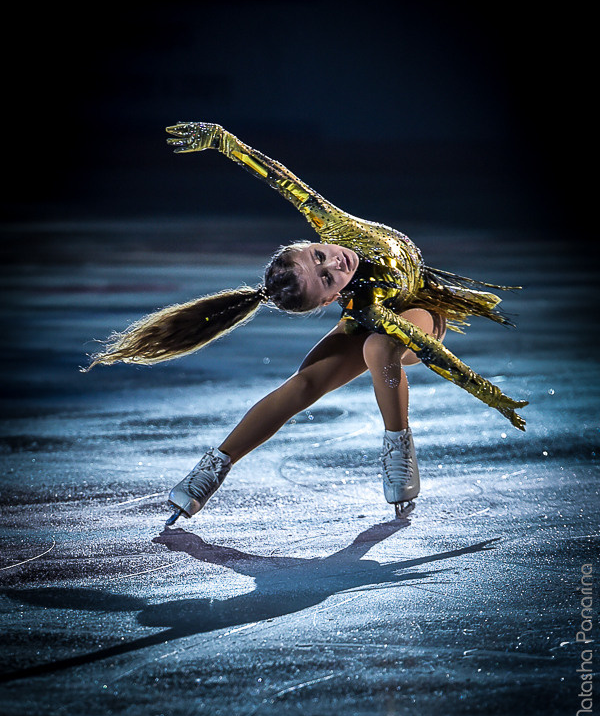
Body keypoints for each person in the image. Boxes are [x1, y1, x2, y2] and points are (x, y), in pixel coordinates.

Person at [85, 122, 528, 524]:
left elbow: (277, 176)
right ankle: (211, 469)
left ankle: (398, 445)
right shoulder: (365, 308)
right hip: (381, 320)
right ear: (333, 298)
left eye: (319, 256)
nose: (334, 262)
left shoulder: (329, 221)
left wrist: (224, 141)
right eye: (327, 279)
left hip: (420, 311)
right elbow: (431, 356)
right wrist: (493, 395)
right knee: (304, 384)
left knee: (380, 347)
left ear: (311, 240)